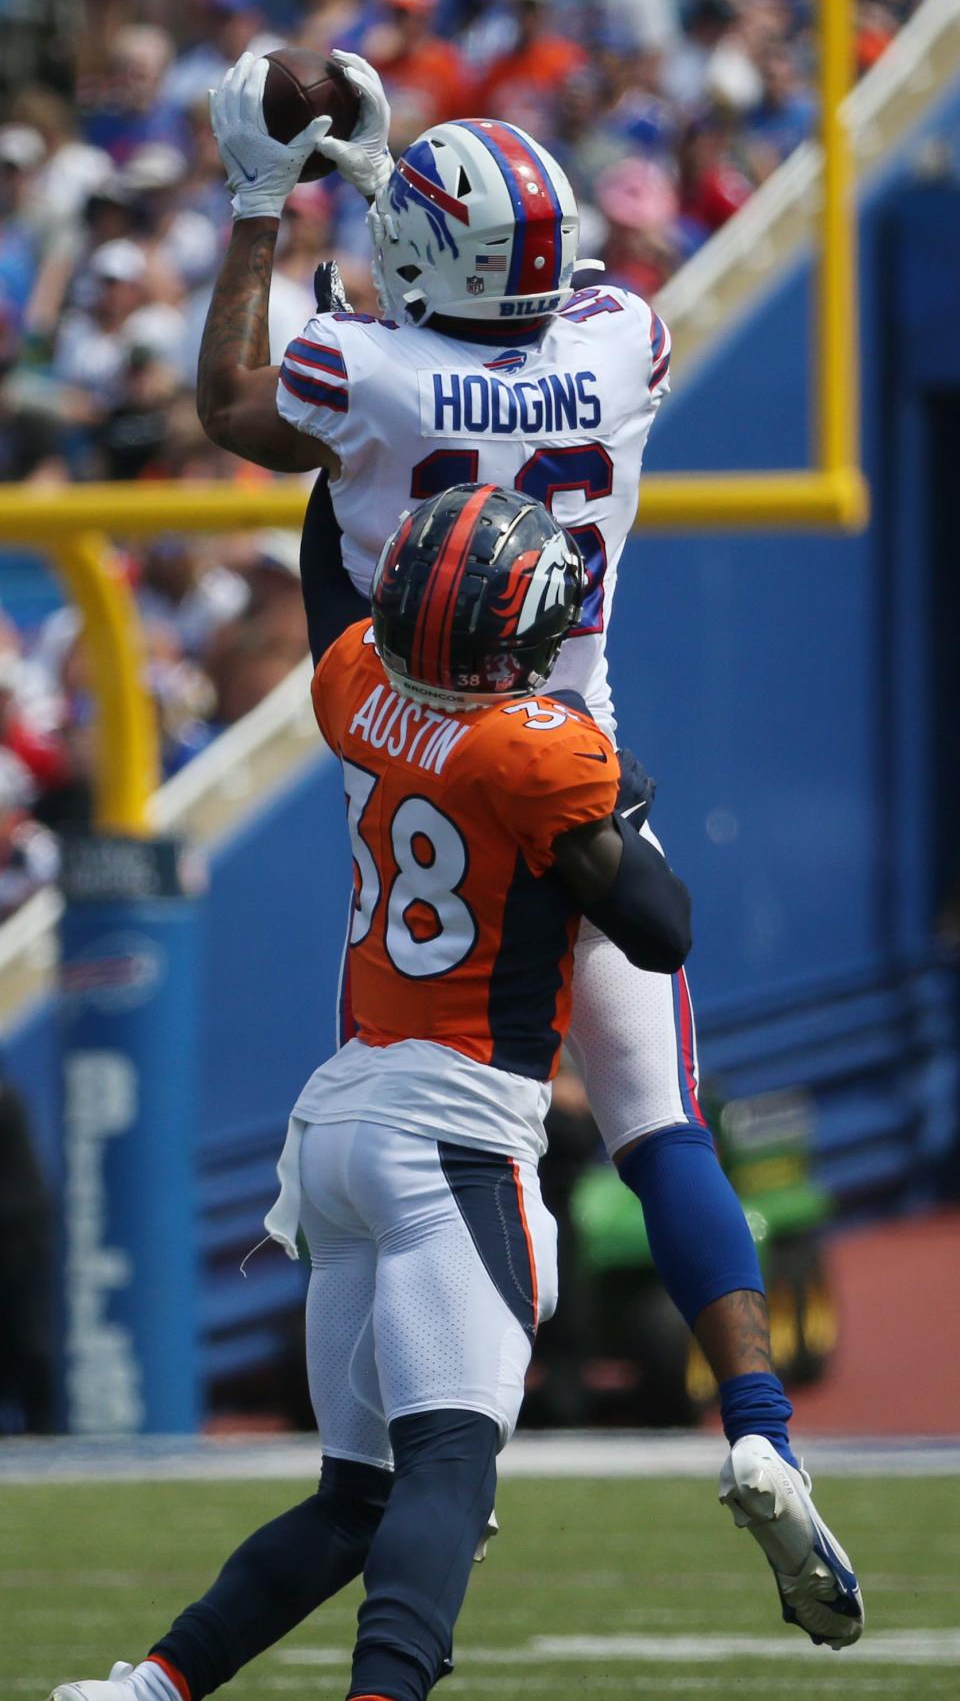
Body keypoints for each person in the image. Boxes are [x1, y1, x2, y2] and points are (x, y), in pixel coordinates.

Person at [207, 48, 860, 1648]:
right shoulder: (622, 338)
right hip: (580, 763)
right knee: (660, 1120)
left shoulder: (363, 370)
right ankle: (761, 1421)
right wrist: (393, 182)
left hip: (417, 760)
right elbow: (497, 321)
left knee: (414, 1094)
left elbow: (239, 401)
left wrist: (260, 189)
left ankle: (417, 1453)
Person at [48, 484, 694, 1701]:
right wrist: (626, 799)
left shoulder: (358, 692)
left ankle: (146, 1691)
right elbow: (662, 931)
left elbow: (328, 580)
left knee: (358, 1498)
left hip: (339, 1120)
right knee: (451, 1466)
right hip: (456, 1130)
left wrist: (337, 463)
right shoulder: (533, 749)